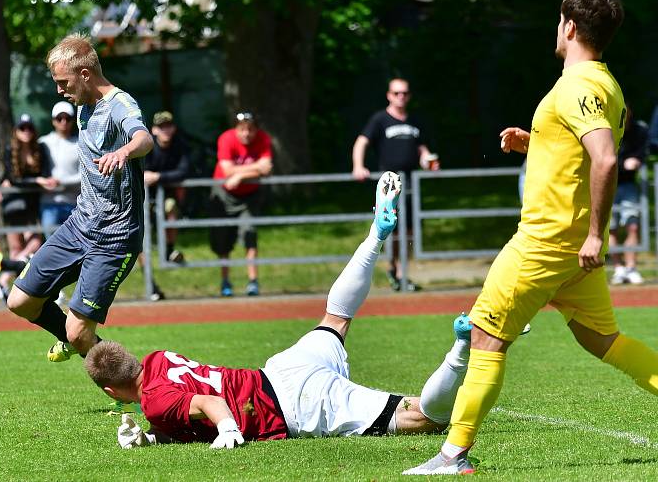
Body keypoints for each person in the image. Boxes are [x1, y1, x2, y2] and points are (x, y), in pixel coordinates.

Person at [405, 0, 658, 476]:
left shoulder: (579, 85)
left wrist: (592, 235)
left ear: (568, 25)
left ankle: (453, 456)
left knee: (484, 335)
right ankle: (453, 453)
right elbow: (582, 153)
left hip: (547, 241)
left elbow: (604, 160)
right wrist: (535, 141)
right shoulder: (603, 82)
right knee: (600, 340)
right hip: (570, 248)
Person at [86, 172, 472, 448]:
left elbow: (207, 404)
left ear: (109, 391)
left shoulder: (152, 401)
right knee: (335, 318)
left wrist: (229, 431)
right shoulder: (156, 360)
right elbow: (184, 406)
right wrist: (153, 437)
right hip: (282, 368)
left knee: (424, 418)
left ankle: (463, 345)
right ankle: (375, 236)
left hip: (293, 407)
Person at [5, 33, 154, 362]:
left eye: (63, 81)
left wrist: (126, 151)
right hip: (79, 225)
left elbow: (144, 138)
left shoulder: (120, 104)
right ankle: (84, 345)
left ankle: (137, 389)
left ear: (84, 74)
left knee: (78, 330)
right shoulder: (84, 106)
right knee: (20, 301)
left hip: (114, 235)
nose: (59, 90)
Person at [351, 77, 439, 291]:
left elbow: (421, 149)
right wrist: (358, 166)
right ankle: (395, 270)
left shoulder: (414, 121)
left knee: (409, 230)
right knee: (392, 230)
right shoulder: (380, 119)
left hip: (411, 185)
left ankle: (401, 272)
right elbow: (361, 141)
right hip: (389, 186)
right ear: (389, 95)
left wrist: (428, 161)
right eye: (397, 93)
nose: (401, 97)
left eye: (405, 93)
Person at [209, 112, 272, 297]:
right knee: (223, 239)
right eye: (242, 129)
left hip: (249, 196)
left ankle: (253, 282)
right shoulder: (226, 139)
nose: (246, 134)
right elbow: (227, 170)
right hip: (224, 194)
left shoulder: (263, 139)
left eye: (250, 129)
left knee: (249, 234)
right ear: (236, 129)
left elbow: (267, 167)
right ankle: (225, 282)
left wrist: (240, 175)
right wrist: (255, 169)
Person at [0, 114, 57, 289]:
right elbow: (12, 178)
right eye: (22, 128)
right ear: (16, 131)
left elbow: (45, 174)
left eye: (30, 128)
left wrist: (38, 180)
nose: (26, 132)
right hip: (13, 205)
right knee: (15, 248)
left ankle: (5, 276)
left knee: (35, 243)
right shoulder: (10, 150)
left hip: (32, 206)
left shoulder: (40, 149)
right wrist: (36, 181)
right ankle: (14, 288)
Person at [141, 111, 191, 301]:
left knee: (171, 209)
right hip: (140, 201)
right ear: (154, 130)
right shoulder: (146, 146)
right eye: (161, 127)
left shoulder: (181, 146)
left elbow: (183, 172)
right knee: (138, 244)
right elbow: (138, 172)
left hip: (165, 198)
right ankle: (151, 286)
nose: (166, 130)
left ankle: (169, 249)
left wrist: (158, 177)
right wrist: (148, 176)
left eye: (169, 126)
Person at [609, 105, 648, 285]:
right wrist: (624, 162)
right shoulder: (607, 129)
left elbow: (645, 151)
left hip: (628, 185)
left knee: (632, 226)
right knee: (611, 229)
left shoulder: (639, 130)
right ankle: (619, 269)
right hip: (608, 185)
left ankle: (631, 268)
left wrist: (638, 160)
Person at [39, 101, 81, 237]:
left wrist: (61, 182)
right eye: (59, 118)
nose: (63, 122)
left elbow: (85, 175)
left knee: (75, 246)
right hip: (49, 203)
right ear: (53, 121)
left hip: (75, 204)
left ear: (73, 121)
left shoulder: (80, 144)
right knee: (51, 247)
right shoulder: (43, 143)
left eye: (67, 118)